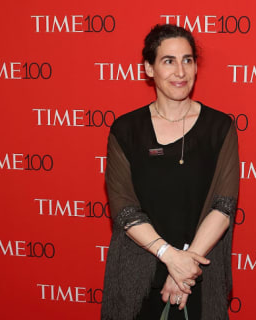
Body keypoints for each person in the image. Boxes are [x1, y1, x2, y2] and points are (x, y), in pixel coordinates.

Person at [101, 24, 239, 320]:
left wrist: (183, 268)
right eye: (169, 61)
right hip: (137, 275)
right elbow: (124, 209)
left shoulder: (220, 128)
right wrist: (170, 257)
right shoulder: (126, 130)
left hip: (198, 272)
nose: (181, 71)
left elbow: (224, 205)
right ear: (149, 68)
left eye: (187, 60)